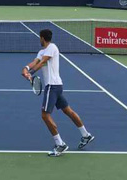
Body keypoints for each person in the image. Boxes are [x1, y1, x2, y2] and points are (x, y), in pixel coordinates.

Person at [21, 29, 94, 157]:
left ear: (42, 38)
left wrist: (31, 74)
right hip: (57, 86)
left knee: (45, 115)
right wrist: (26, 68)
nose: (40, 39)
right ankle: (86, 135)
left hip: (52, 86)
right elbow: (36, 61)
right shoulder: (42, 51)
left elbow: (43, 62)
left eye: (40, 37)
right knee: (68, 111)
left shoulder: (52, 47)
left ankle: (60, 144)